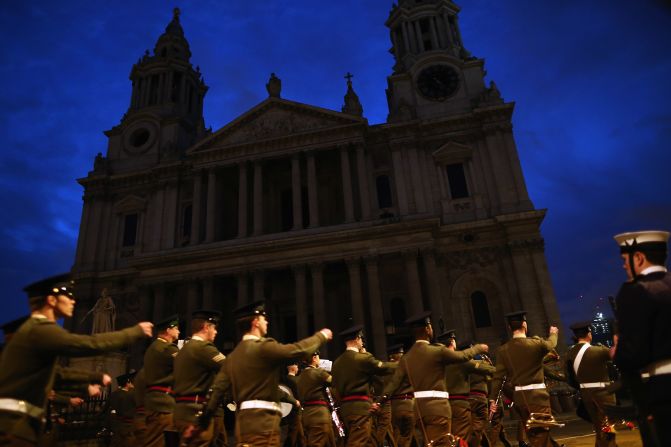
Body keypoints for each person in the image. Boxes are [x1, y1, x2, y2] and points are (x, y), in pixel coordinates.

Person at [0, 273, 153, 446]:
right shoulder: (40, 330)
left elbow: (57, 374)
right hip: (13, 426)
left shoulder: (34, 330)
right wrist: (133, 332)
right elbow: (86, 344)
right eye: (68, 295)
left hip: (17, 424)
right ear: (51, 300)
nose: (73, 301)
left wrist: (90, 380)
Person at [200, 301, 332, 447]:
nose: (267, 322)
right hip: (264, 424)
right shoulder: (263, 348)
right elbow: (297, 350)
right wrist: (321, 336)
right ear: (256, 322)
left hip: (242, 425)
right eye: (264, 318)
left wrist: (202, 421)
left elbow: (216, 392)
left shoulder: (232, 357)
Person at [384, 312, 488, 447]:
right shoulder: (436, 351)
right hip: (437, 409)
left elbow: (393, 383)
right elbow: (462, 356)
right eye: (430, 326)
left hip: (419, 411)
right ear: (427, 329)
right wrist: (478, 348)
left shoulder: (407, 357)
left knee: (430, 443)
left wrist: (380, 400)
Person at [612, 230, 671, 447]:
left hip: (662, 390)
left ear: (638, 258)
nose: (624, 266)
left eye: (625, 260)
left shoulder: (635, 291)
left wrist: (619, 352)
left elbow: (633, 354)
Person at [489, 311, 559, 447]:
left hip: (520, 398)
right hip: (538, 397)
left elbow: (498, 378)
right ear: (525, 325)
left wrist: (493, 399)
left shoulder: (502, 350)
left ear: (510, 328)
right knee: (541, 435)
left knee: (535, 434)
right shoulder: (536, 343)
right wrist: (553, 333)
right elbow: (551, 344)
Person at [331, 324, 395, 447]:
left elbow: (335, 388)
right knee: (357, 442)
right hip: (361, 408)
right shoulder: (361, 358)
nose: (362, 342)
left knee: (372, 441)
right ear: (357, 339)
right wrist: (403, 364)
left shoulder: (337, 363)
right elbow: (384, 368)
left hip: (346, 409)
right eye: (361, 339)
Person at [173, 310, 226, 447]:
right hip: (195, 412)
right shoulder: (202, 348)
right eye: (214, 328)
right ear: (206, 327)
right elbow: (230, 367)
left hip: (181, 411)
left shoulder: (183, 349)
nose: (216, 332)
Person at [564, 321, 616, 447]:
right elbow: (617, 357)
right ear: (589, 334)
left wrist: (582, 388)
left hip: (586, 394)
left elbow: (569, 378)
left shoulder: (569, 354)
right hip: (604, 394)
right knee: (607, 430)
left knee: (599, 428)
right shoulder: (599, 350)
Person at [143, 314, 180, 447]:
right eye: (176, 328)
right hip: (163, 404)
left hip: (154, 401)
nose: (179, 331)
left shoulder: (152, 348)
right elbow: (186, 366)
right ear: (169, 330)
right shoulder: (168, 348)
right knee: (159, 442)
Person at [297, 351, 337, 447]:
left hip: (306, 414)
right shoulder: (318, 372)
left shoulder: (300, 376)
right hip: (319, 414)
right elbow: (335, 382)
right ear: (314, 358)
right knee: (316, 443)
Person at [385, 344, 415, 447]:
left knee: (396, 437)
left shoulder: (386, 370)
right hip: (409, 404)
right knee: (407, 438)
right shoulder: (408, 367)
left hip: (394, 406)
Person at [109, 371, 138, 446]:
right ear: (128, 382)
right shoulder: (130, 395)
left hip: (117, 426)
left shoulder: (114, 394)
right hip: (128, 427)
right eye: (131, 382)